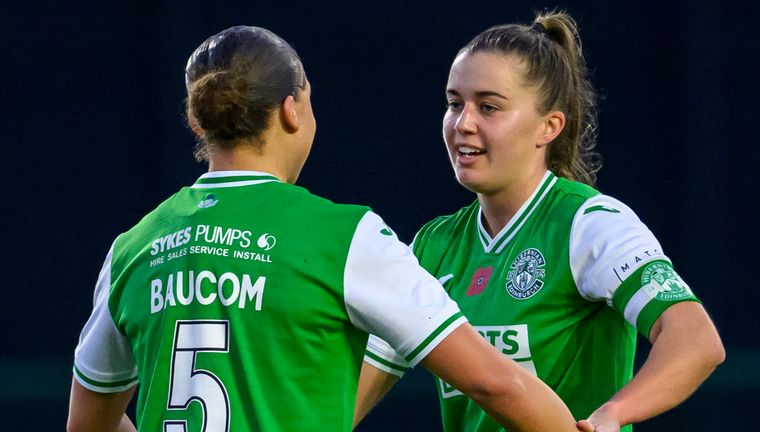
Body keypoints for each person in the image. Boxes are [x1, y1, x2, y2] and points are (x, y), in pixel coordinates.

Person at [66, 25, 584, 432]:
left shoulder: (133, 249)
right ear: (293, 110)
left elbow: (87, 423)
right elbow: (497, 385)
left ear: (198, 121)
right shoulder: (344, 238)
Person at [358, 11, 725, 432]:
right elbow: (356, 389)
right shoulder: (433, 245)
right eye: (454, 103)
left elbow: (696, 341)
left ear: (549, 126)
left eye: (489, 107)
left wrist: (614, 413)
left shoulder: (589, 223)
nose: (463, 124)